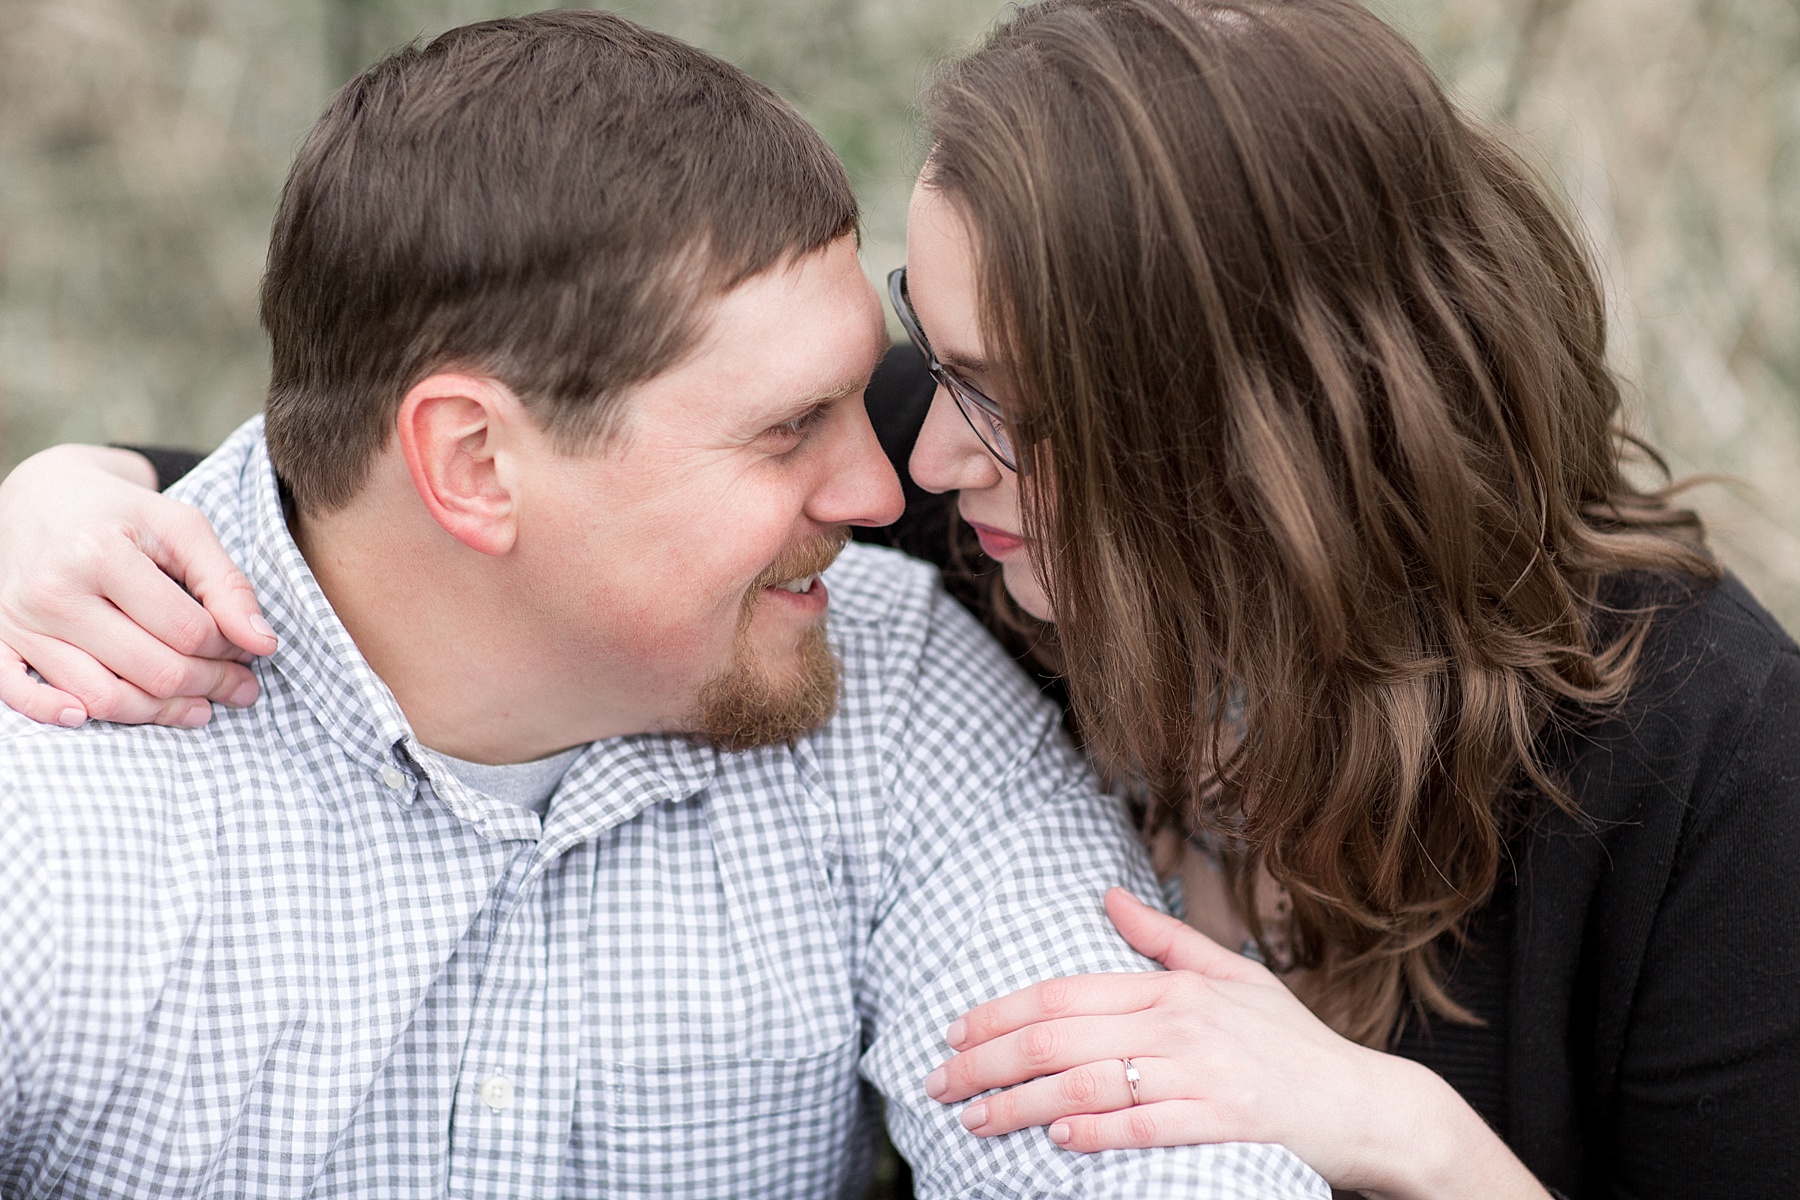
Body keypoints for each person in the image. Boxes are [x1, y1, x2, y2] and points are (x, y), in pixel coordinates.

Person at [4, 0, 1797, 1197]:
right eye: (911, 366)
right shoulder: (931, 495)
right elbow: (385, 477)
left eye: (997, 394)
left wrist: (1411, 1134)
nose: (901, 475)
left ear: (1254, 433)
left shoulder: (1705, 747)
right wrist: (61, 489)